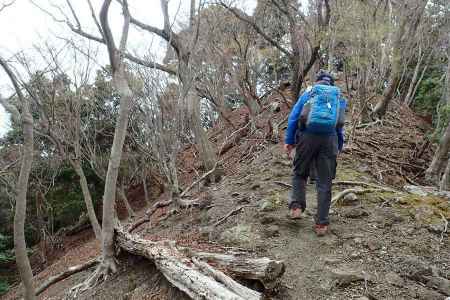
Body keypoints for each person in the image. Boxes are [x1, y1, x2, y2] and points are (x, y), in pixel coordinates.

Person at [284, 71, 346, 236]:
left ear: (317, 81)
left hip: (307, 137)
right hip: (329, 139)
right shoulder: (339, 98)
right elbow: (340, 125)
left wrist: (289, 141)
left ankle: (296, 207)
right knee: (325, 182)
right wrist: (339, 146)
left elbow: (294, 117)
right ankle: (321, 224)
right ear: (331, 84)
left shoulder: (309, 93)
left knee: (299, 172)